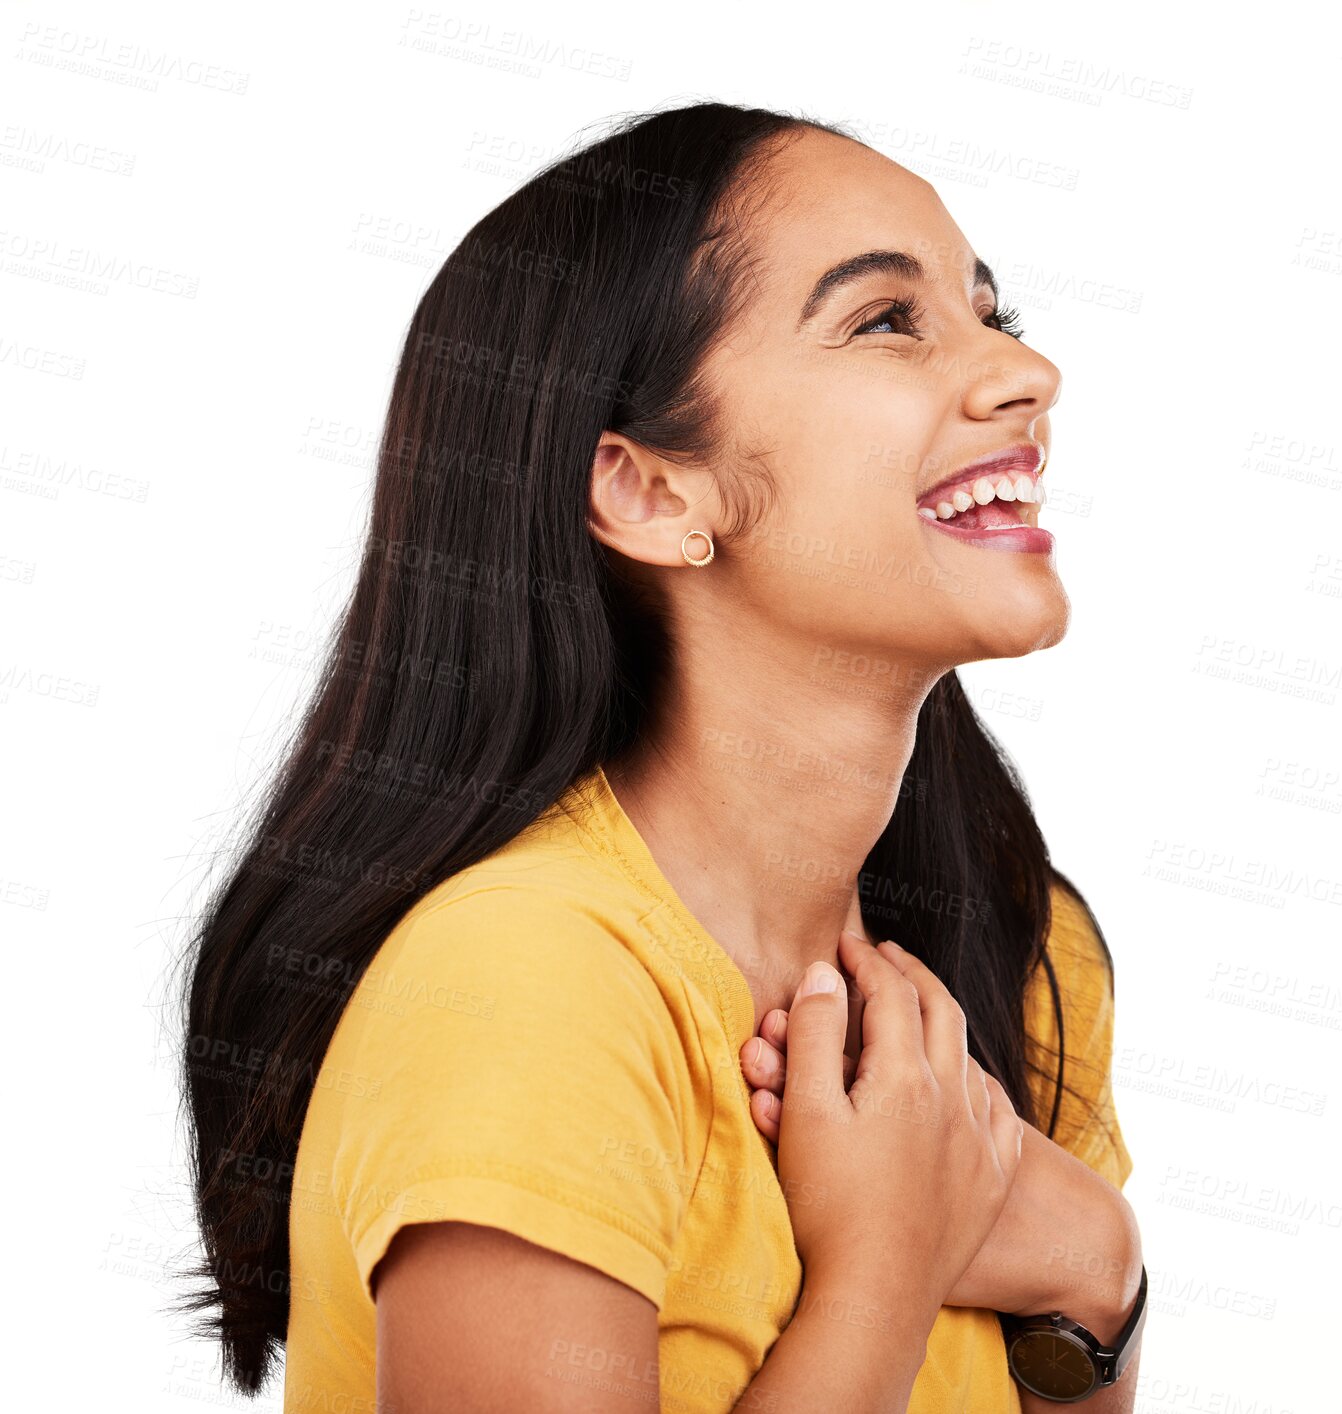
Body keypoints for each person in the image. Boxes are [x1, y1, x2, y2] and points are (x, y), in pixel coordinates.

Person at [177, 100, 1142, 1412]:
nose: (1022, 374)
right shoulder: (527, 985)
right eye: (884, 319)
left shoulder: (1016, 945)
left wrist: (1095, 1270)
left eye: (992, 314)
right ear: (649, 491)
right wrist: (885, 1260)